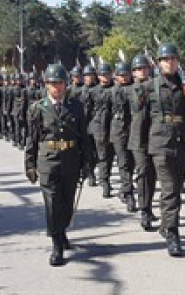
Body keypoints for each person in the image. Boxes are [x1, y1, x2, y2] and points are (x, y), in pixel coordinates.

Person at [25, 64, 93, 267]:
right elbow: (32, 138)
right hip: (48, 161)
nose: (56, 87)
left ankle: (61, 231)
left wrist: (87, 162)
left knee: (66, 202)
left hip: (71, 159)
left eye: (60, 83)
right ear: (46, 85)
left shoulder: (76, 107)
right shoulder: (38, 108)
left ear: (66, 84)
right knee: (53, 203)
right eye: (52, 83)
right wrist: (29, 163)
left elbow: (84, 138)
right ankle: (56, 245)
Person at [144, 43, 185, 257]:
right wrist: (139, 150)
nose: (170, 62)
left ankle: (165, 224)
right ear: (159, 63)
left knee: (176, 189)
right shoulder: (150, 87)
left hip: (181, 142)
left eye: (173, 59)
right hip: (159, 143)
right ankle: (173, 234)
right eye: (166, 59)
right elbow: (141, 120)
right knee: (169, 189)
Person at [125, 54, 157, 231]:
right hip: (137, 138)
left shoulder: (156, 87)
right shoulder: (128, 91)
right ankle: (145, 210)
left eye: (144, 68)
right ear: (133, 73)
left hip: (155, 136)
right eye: (137, 69)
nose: (141, 71)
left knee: (152, 174)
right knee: (143, 172)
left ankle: (149, 205)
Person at [90, 63, 117, 199]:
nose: (104, 77)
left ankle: (107, 178)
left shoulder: (116, 89)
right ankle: (104, 182)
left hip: (114, 127)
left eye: (106, 74)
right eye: (102, 74)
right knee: (103, 156)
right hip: (99, 127)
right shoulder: (94, 91)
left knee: (111, 156)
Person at [80, 65, 99, 186]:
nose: (89, 78)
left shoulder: (98, 89)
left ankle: (92, 169)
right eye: (87, 75)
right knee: (86, 151)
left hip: (95, 124)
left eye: (91, 75)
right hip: (82, 124)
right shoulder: (78, 90)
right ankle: (90, 173)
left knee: (97, 152)